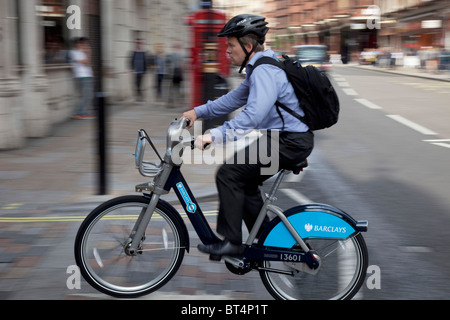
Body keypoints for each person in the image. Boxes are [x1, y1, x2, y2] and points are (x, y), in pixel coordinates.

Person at [182, 14, 314, 258]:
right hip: (283, 139)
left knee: (228, 173)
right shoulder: (259, 67)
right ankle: (267, 239)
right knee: (245, 181)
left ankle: (232, 241)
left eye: (231, 46)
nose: (227, 52)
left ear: (248, 46)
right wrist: (197, 112)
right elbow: (232, 100)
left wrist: (215, 135)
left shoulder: (264, 70)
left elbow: (252, 116)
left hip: (288, 142)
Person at [70, 37, 95, 119]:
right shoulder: (74, 52)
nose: (86, 45)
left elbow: (89, 63)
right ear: (78, 44)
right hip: (82, 76)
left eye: (86, 44)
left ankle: (81, 112)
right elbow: (86, 63)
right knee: (86, 96)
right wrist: (88, 53)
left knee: (87, 96)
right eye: (84, 43)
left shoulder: (83, 52)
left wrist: (87, 53)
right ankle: (79, 113)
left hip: (87, 75)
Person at [130, 39, 148, 103]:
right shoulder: (134, 52)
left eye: (139, 43)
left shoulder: (143, 52)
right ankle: (139, 97)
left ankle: (141, 97)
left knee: (140, 84)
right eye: (137, 43)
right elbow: (132, 60)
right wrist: (132, 68)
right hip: (136, 71)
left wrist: (145, 71)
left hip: (141, 71)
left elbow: (145, 62)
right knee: (136, 84)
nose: (138, 44)